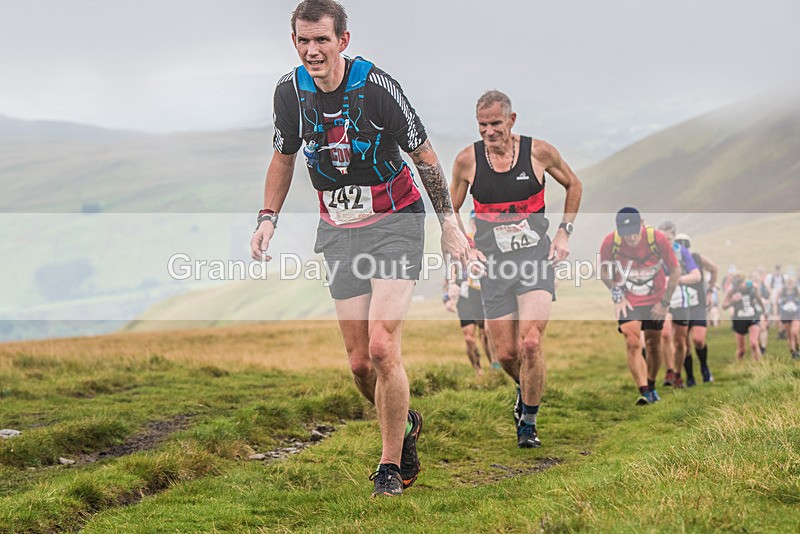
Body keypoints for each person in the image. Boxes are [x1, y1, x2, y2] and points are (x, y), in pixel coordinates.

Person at [250, 0, 470, 497]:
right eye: (303, 41)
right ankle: (405, 421)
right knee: (359, 365)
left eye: (322, 40)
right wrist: (268, 219)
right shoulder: (290, 92)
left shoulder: (376, 88)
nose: (312, 51)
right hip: (339, 227)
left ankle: (390, 466)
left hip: (395, 221)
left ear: (343, 41)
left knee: (382, 345)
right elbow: (283, 158)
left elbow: (426, 158)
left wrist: (450, 226)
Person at [449, 90, 582, 448]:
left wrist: (563, 233)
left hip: (536, 259)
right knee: (507, 354)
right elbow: (450, 211)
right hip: (493, 268)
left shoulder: (538, 152)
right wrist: (467, 247)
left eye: (495, 123)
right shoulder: (467, 161)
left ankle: (529, 423)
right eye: (482, 125)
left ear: (512, 120)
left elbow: (573, 183)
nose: (489, 132)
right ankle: (526, 392)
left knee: (531, 342)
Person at [599, 208, 680, 405]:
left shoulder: (657, 239)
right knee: (632, 341)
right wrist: (616, 293)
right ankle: (643, 390)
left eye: (634, 232)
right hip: (628, 299)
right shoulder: (611, 242)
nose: (631, 237)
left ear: (642, 223)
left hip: (655, 300)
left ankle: (651, 386)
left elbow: (676, 271)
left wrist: (664, 304)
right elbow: (603, 271)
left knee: (653, 346)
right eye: (626, 234)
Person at [444, 213, 496, 375]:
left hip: (482, 293)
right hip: (465, 295)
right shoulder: (465, 240)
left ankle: (494, 365)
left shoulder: (489, 240)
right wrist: (450, 289)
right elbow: (452, 266)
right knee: (469, 337)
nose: (475, 224)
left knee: (486, 332)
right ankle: (477, 369)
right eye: (473, 221)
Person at [657, 222, 701, 389]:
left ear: (674, 237)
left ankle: (677, 373)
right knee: (666, 334)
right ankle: (669, 370)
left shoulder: (682, 252)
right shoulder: (654, 251)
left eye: (668, 238)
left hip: (682, 299)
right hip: (663, 299)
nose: (665, 241)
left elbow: (696, 276)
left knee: (681, 340)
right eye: (662, 238)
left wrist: (677, 279)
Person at [673, 233, 719, 385]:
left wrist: (710, 291)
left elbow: (714, 269)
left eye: (685, 244)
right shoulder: (670, 262)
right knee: (684, 345)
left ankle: (705, 368)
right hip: (681, 305)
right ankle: (690, 377)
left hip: (698, 305)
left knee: (698, 339)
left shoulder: (698, 258)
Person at [722, 275, 764, 362]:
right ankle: (739, 366)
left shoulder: (752, 288)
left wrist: (763, 310)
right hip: (739, 319)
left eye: (741, 283)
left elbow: (759, 299)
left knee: (753, 343)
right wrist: (732, 301)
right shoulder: (732, 290)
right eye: (737, 284)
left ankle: (759, 365)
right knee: (742, 349)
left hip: (753, 316)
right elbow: (724, 305)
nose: (740, 286)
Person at [777, 276, 800, 360]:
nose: (790, 285)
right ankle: (793, 351)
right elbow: (776, 302)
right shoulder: (781, 291)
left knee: (794, 332)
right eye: (788, 283)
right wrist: (776, 313)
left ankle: (797, 346)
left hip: (796, 313)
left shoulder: (797, 291)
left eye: (791, 283)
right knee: (789, 334)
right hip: (785, 314)